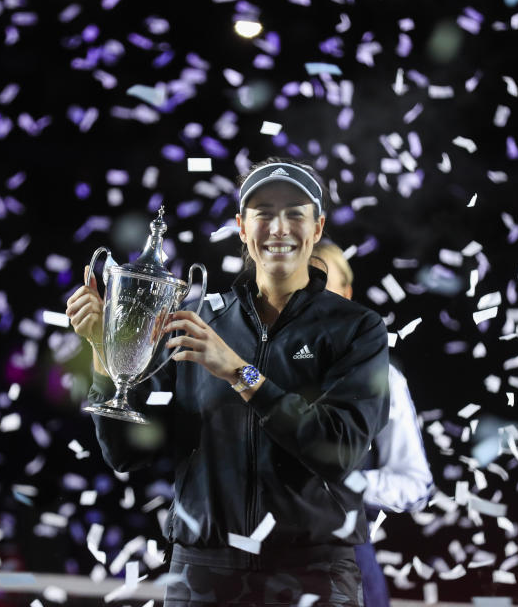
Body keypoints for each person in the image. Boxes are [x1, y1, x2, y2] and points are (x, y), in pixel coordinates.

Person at [67, 157, 391, 606]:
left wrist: (241, 373)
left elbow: (341, 449)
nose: (279, 228)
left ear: (316, 229)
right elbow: (126, 453)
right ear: (242, 227)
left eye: (295, 213)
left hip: (311, 575)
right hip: (202, 574)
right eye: (264, 213)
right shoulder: (196, 319)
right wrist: (104, 352)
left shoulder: (357, 329)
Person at [313, 240, 434, 607]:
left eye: (321, 287)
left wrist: (342, 484)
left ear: (346, 296)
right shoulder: (246, 370)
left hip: (348, 575)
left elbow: (417, 486)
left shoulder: (380, 378)